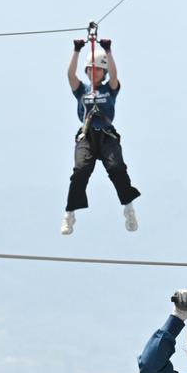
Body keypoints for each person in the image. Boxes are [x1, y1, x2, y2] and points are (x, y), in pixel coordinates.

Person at [61, 38, 140, 236]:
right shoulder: (82, 90)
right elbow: (70, 74)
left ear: (103, 72)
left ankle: (129, 209)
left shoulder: (109, 88)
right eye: (90, 69)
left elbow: (114, 74)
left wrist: (108, 50)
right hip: (87, 136)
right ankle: (69, 214)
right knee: (80, 171)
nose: (92, 72)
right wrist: (77, 50)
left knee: (117, 169)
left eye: (97, 69)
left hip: (106, 136)